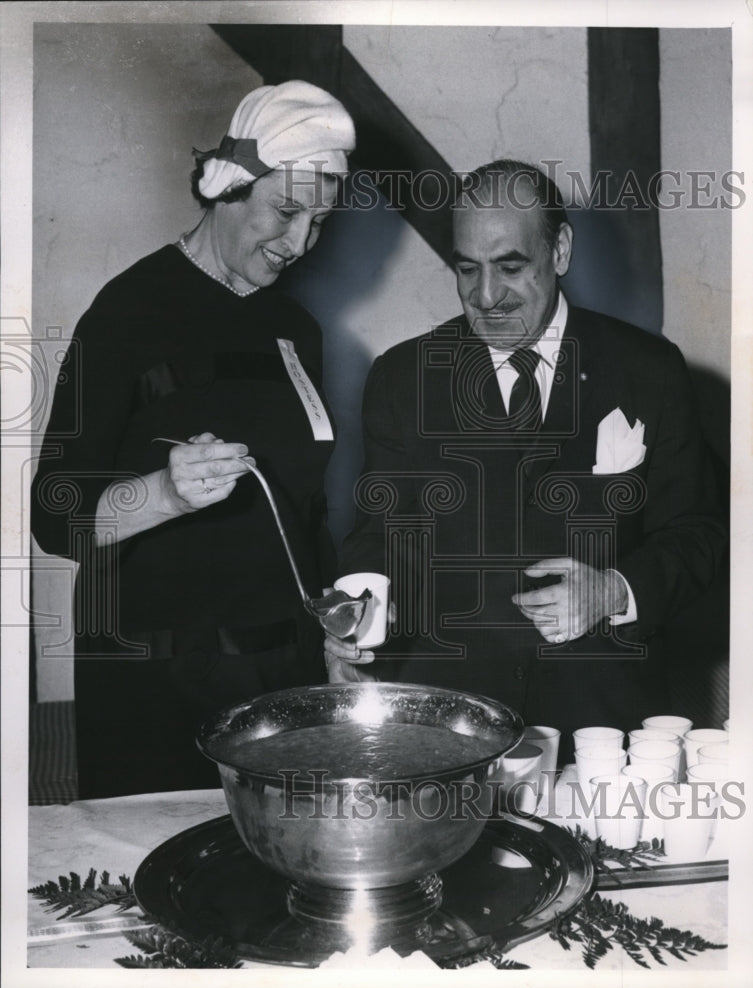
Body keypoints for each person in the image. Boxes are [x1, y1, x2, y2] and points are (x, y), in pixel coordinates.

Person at [325, 159, 727, 762]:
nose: (486, 297)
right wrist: (356, 613)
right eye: (467, 269)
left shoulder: (649, 370)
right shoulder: (401, 378)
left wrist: (615, 591)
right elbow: (380, 536)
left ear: (559, 249)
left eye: (511, 266)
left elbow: (699, 533)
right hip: (446, 731)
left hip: (600, 735)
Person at [32, 81, 356, 797]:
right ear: (228, 186)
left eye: (320, 222)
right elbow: (52, 516)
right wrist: (164, 493)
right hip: (157, 686)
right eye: (287, 210)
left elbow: (302, 512)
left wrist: (331, 630)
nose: (300, 243)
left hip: (283, 683)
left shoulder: (296, 329)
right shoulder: (127, 312)